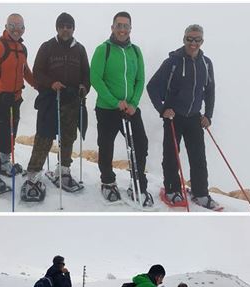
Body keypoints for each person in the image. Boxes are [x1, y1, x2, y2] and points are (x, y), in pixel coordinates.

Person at [147, 25, 220, 211]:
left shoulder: (206, 63)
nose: (193, 43)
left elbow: (210, 91)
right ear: (184, 39)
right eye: (190, 39)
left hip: (195, 117)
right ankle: (172, 190)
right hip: (174, 117)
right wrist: (163, 109)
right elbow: (152, 86)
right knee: (172, 155)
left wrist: (208, 116)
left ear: (202, 41)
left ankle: (200, 193)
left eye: (197, 40)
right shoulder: (172, 62)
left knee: (198, 157)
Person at [20, 13, 90, 203]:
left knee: (68, 136)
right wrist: (51, 84)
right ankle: (33, 175)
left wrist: (84, 87)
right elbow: (37, 73)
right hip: (50, 99)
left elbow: (86, 75)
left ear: (73, 28)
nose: (65, 29)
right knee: (44, 137)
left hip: (72, 100)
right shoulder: (47, 47)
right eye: (62, 26)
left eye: (69, 26)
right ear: (57, 28)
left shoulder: (80, 50)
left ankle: (63, 170)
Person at [90, 11, 152, 206]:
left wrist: (133, 103)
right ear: (112, 28)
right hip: (107, 109)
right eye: (119, 25)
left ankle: (138, 183)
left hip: (130, 109)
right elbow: (96, 79)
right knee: (106, 145)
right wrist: (115, 102)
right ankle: (108, 181)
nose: (122, 29)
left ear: (130, 28)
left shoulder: (136, 51)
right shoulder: (103, 50)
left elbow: (140, 79)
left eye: (126, 26)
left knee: (140, 144)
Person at [0, 14, 35, 196]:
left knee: (10, 132)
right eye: (12, 26)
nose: (16, 30)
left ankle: (4, 162)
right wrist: (1, 92)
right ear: (6, 26)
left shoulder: (22, 48)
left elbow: (25, 71)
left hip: (14, 99)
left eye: (20, 27)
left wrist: (41, 86)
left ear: (24, 29)